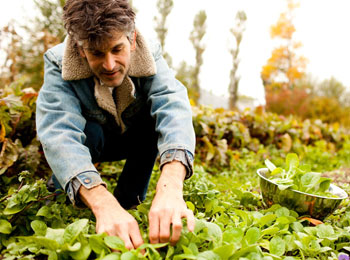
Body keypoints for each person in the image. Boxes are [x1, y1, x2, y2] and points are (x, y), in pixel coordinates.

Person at [36, 0, 196, 250]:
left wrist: (171, 185)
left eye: (117, 49)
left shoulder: (148, 52)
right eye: (97, 53)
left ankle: (127, 202)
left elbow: (173, 107)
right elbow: (58, 133)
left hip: (131, 135)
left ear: (132, 40)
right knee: (83, 137)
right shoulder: (58, 62)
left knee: (151, 124)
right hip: (93, 139)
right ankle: (66, 194)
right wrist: (101, 202)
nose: (109, 65)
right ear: (80, 50)